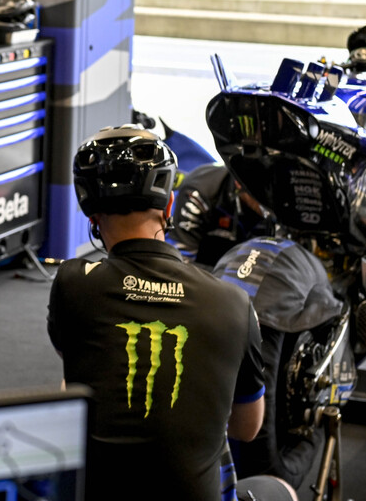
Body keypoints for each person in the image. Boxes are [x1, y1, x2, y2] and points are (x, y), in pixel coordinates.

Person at [48, 125, 296, 501]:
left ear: (91, 214)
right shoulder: (234, 303)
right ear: (168, 206)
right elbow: (246, 428)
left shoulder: (71, 283)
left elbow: (77, 371)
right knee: (277, 490)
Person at [171, 161, 271, 268]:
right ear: (239, 183)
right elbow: (181, 263)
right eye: (262, 190)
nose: (270, 198)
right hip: (205, 265)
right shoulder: (199, 193)